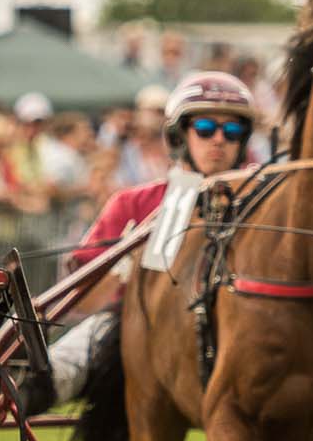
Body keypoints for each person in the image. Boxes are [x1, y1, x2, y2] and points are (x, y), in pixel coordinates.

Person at [36, 71, 260, 409]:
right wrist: (122, 267)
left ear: (243, 140)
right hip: (130, 329)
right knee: (54, 372)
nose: (218, 139)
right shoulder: (133, 204)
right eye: (204, 129)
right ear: (180, 135)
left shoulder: (262, 205)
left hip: (232, 333)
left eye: (231, 131)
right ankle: (30, 386)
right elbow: (82, 304)